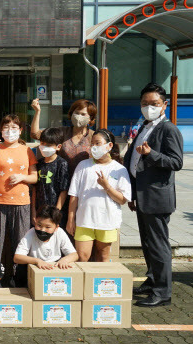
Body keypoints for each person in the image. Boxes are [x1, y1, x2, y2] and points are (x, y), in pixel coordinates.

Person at [124, 83, 183, 307]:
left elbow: (176, 162)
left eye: (154, 104)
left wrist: (152, 154)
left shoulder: (169, 130)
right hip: (142, 196)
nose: (149, 108)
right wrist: (131, 192)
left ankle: (163, 293)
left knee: (158, 245)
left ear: (164, 105)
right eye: (145, 104)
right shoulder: (144, 126)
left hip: (157, 198)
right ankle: (151, 280)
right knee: (147, 243)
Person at [0, 114, 38, 286]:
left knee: (20, 242)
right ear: (1, 130)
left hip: (21, 202)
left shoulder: (27, 150)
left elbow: (35, 177)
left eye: (14, 128)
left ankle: (20, 279)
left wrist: (22, 177)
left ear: (21, 130)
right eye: (6, 127)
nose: (10, 131)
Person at [67, 129, 131, 263]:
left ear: (109, 145)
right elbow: (74, 195)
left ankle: (99, 284)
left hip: (107, 221)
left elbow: (122, 199)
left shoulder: (119, 169)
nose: (94, 147)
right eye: (92, 144)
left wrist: (107, 186)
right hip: (84, 220)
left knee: (103, 257)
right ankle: (83, 284)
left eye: (98, 143)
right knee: (82, 256)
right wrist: (71, 219)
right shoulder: (83, 165)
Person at [13, 206, 78, 287]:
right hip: (32, 267)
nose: (42, 230)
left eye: (48, 227)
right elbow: (17, 257)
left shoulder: (60, 233)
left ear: (56, 227)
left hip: (53, 268)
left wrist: (65, 260)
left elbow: (74, 255)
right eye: (39, 225)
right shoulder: (30, 233)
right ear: (35, 221)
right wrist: (37, 261)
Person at [31, 98, 97, 177]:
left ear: (90, 118)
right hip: (61, 180)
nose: (79, 117)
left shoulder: (94, 136)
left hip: (84, 180)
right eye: (76, 113)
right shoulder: (61, 132)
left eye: (83, 114)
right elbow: (35, 134)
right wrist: (37, 112)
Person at [34, 128, 70, 227]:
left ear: (58, 147)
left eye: (48, 145)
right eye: (42, 143)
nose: (44, 147)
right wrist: (33, 210)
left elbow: (64, 190)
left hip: (55, 212)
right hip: (39, 211)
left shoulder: (62, 164)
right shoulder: (39, 163)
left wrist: (56, 212)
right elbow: (34, 189)